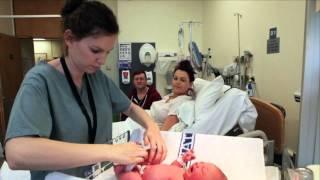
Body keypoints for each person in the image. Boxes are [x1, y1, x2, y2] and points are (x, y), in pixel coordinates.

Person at [4, 0, 166, 179]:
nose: (102, 60)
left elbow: (130, 107)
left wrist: (152, 127)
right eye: (95, 50)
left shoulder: (97, 78)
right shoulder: (40, 82)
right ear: (69, 38)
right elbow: (17, 153)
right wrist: (110, 151)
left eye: (107, 52)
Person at [150, 60, 196, 131]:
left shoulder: (181, 101)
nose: (178, 82)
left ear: (190, 84)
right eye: (175, 78)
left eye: (182, 80)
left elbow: (164, 131)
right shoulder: (170, 96)